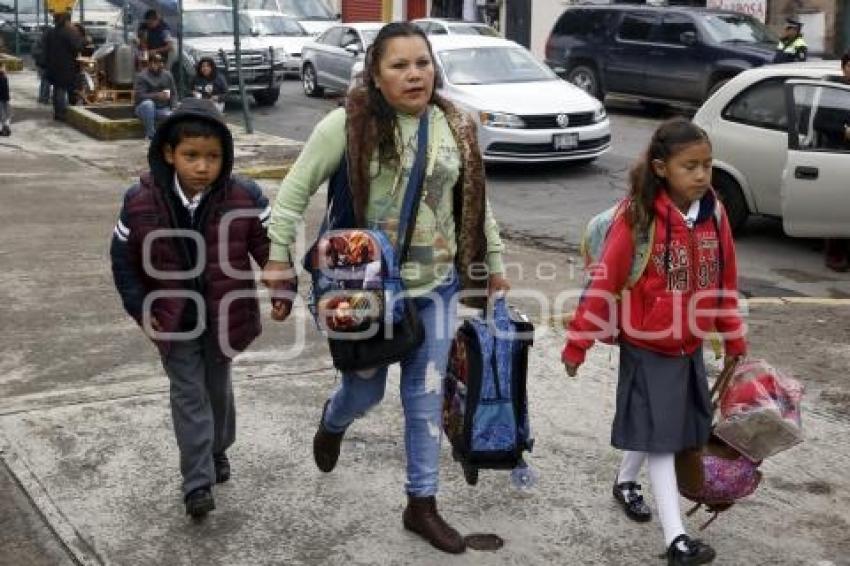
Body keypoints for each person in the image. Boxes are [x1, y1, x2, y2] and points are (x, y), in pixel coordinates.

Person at [261, 22, 509, 555]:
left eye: (422, 62)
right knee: (365, 390)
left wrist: (496, 263)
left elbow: (476, 203)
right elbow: (292, 194)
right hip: (366, 293)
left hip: (437, 289)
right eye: (399, 65)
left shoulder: (455, 123)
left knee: (424, 400)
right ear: (375, 74)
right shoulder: (345, 126)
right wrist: (278, 261)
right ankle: (334, 420)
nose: (415, 74)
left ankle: (421, 504)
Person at [563, 118, 747, 565]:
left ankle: (626, 482)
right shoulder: (638, 218)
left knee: (660, 423)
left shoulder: (715, 213)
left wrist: (733, 336)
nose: (702, 175)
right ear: (663, 168)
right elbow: (603, 284)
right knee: (666, 438)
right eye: (691, 167)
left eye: (707, 165)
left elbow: (724, 279)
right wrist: (577, 345)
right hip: (646, 346)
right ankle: (676, 539)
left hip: (690, 345)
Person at [110, 98, 272, 518]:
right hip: (174, 321)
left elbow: (270, 251)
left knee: (217, 391)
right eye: (191, 156)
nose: (203, 166)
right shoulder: (140, 201)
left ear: (226, 157)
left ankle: (219, 450)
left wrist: (282, 284)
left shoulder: (245, 196)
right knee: (188, 396)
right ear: (169, 153)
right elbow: (123, 260)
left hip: (224, 318)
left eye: (213, 157)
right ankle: (196, 483)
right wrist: (140, 309)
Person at [823, 51, 850, 272]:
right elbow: (819, 120)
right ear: (844, 66)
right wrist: (844, 132)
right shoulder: (831, 89)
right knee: (840, 207)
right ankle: (834, 254)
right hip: (836, 153)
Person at [44, 11, 84, 121]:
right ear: (67, 20)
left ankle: (58, 113)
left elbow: (46, 49)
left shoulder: (51, 32)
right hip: (66, 66)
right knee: (66, 89)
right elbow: (78, 47)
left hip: (53, 65)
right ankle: (65, 113)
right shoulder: (69, 32)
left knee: (58, 89)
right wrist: (80, 38)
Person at [134, 53, 177, 140]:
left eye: (160, 62)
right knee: (148, 104)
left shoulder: (168, 75)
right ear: (149, 63)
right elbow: (139, 96)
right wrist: (157, 95)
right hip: (144, 108)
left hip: (162, 109)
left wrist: (173, 106)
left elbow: (174, 93)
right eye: (155, 62)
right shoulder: (142, 76)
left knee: (173, 115)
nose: (158, 65)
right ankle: (151, 135)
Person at [32, 26, 52, 105]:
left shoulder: (39, 40)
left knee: (44, 81)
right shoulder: (46, 41)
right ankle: (44, 98)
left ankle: (43, 97)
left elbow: (34, 52)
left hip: (41, 64)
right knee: (46, 81)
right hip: (45, 64)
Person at [0, 63, 10, 136]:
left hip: (3, 98)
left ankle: (5, 128)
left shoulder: (3, 77)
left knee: (4, 114)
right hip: (3, 98)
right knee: (4, 114)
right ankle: (5, 128)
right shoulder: (3, 77)